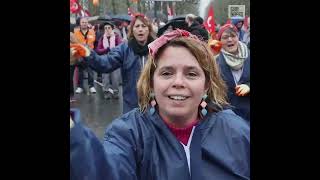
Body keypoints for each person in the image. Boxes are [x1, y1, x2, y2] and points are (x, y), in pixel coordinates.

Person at [70, 29, 250, 180]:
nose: (178, 82)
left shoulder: (236, 131)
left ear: (206, 84)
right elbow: (104, 172)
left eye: (192, 74)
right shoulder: (128, 134)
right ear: (151, 83)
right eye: (166, 73)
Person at [71, 13, 156, 114]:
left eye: (143, 26)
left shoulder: (157, 49)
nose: (140, 29)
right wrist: (88, 53)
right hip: (131, 107)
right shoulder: (124, 49)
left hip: (154, 106)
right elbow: (104, 63)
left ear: (149, 29)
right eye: (137, 26)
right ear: (132, 30)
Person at [216, 24, 250, 122]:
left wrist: (249, 86)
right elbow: (210, 92)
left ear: (237, 37)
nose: (230, 40)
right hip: (229, 118)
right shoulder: (215, 63)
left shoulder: (249, 56)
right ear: (220, 41)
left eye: (233, 36)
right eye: (225, 37)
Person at [95, 22, 123, 99]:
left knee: (115, 78)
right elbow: (98, 50)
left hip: (115, 60)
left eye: (109, 28)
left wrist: (113, 50)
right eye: (105, 28)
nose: (107, 30)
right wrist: (106, 49)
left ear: (112, 29)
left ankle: (116, 92)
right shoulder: (102, 38)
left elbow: (120, 47)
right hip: (105, 60)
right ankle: (106, 92)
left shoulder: (117, 37)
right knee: (105, 78)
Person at [73, 16, 97, 94]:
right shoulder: (76, 32)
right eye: (83, 22)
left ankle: (91, 86)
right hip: (80, 54)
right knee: (81, 71)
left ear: (88, 23)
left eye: (85, 22)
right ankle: (80, 87)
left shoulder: (92, 31)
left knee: (90, 70)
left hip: (90, 53)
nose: (84, 24)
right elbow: (74, 42)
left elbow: (93, 41)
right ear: (80, 23)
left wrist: (87, 45)